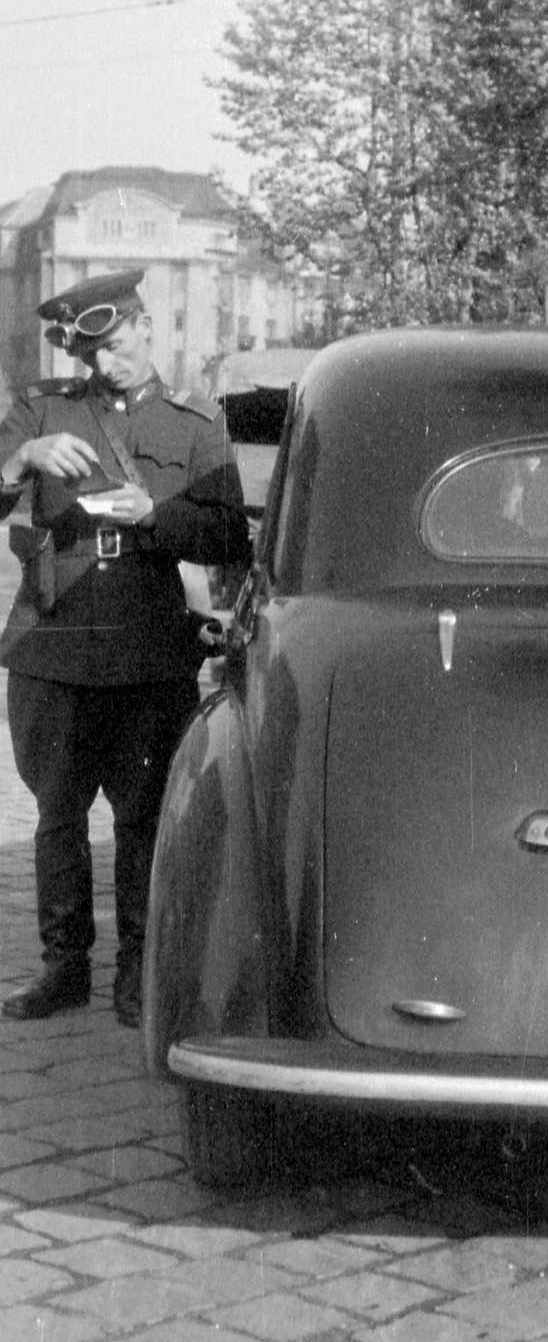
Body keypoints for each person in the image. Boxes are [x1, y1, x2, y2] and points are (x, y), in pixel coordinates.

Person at [0, 270, 251, 1027]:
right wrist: (23, 458)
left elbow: (225, 537)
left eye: (116, 346)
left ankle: (135, 977)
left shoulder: (194, 422)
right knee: (56, 817)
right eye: (93, 355)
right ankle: (62, 968)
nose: (107, 365)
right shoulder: (42, 409)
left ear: (145, 327)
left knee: (143, 819)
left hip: (146, 649)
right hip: (54, 646)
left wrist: (154, 516)